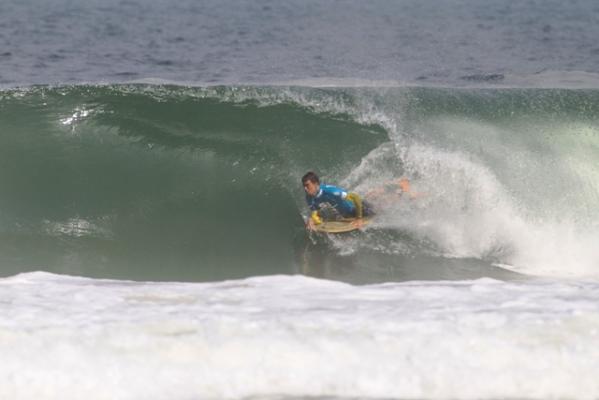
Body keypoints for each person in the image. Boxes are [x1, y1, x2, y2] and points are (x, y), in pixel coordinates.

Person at [302, 171, 373, 231]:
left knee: (376, 210)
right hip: (345, 214)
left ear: (315, 183)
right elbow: (315, 211)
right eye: (304, 186)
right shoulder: (309, 197)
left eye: (307, 185)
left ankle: (376, 194)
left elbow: (356, 198)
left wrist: (359, 218)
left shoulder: (331, 192)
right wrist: (311, 220)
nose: (305, 189)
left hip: (358, 208)